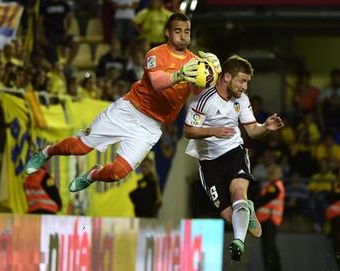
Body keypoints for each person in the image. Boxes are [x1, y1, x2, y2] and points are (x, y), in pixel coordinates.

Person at [23, 13, 221, 192]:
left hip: (151, 126)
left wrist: (213, 76)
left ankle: (93, 175)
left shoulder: (195, 61)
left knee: (117, 173)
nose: (183, 36)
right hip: (128, 110)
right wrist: (178, 75)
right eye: (178, 31)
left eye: (187, 31)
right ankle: (46, 152)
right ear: (167, 33)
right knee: (80, 148)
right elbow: (157, 83)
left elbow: (196, 91)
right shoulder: (155, 54)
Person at [183, 55, 284, 262]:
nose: (245, 87)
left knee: (238, 191)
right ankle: (248, 208)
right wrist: (213, 130)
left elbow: (253, 131)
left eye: (247, 82)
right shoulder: (204, 100)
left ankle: (238, 242)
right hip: (209, 162)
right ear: (227, 77)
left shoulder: (242, 99)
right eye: (242, 80)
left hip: (234, 152)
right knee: (229, 214)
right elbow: (188, 131)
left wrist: (266, 127)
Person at [256, 164, 285, 271]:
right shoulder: (271, 185)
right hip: (266, 220)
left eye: (271, 173)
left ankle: (270, 269)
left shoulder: (275, 186)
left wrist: (254, 204)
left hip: (270, 220)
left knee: (268, 248)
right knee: (270, 247)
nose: (269, 175)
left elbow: (265, 199)